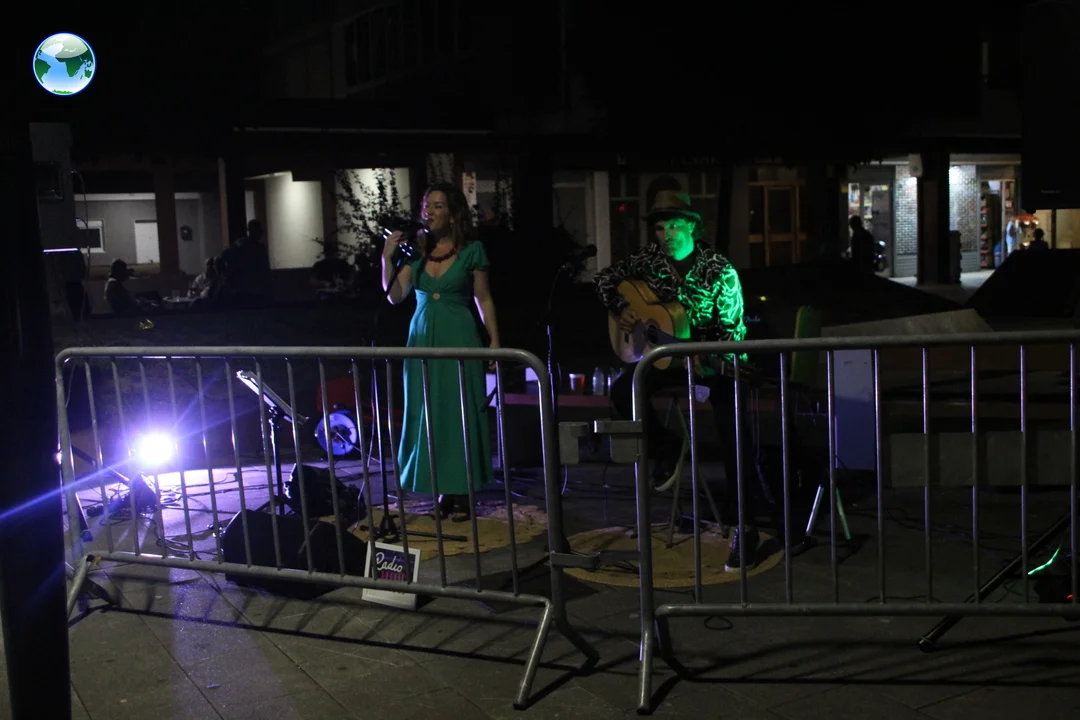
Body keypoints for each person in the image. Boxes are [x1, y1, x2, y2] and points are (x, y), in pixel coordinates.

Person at [595, 190, 797, 570]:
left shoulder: (719, 270)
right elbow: (605, 279)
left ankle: (745, 526)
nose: (666, 235)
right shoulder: (649, 260)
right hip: (664, 361)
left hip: (711, 366)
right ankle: (668, 448)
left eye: (674, 226)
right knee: (623, 391)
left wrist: (711, 359)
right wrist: (623, 309)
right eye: (660, 228)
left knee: (732, 428)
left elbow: (733, 334)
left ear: (692, 227)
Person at [382, 183, 500, 521]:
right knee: (429, 413)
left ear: (452, 213)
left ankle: (461, 492)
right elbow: (395, 295)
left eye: (437, 205)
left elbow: (483, 298)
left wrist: (494, 341)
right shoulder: (417, 250)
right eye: (426, 205)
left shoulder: (472, 250)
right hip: (422, 339)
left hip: (458, 334)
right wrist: (386, 258)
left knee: (458, 412)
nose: (428, 211)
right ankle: (441, 489)